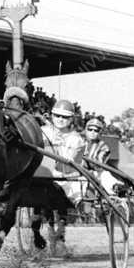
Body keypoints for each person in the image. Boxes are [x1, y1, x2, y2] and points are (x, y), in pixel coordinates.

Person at [40, 99, 85, 255]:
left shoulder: (76, 139)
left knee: (60, 193)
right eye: (57, 115)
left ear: (71, 119)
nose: (60, 119)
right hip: (43, 174)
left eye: (64, 117)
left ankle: (60, 234)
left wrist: (58, 146)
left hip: (66, 178)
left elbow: (69, 164)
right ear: (52, 115)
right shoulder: (42, 131)